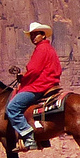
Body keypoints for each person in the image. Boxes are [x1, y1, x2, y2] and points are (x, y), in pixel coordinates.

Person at [7, 22, 61, 150]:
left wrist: (23, 77)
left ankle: (29, 137)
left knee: (12, 108)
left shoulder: (41, 49)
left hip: (40, 85)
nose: (33, 37)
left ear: (43, 35)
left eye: (36, 34)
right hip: (49, 83)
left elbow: (35, 70)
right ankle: (43, 138)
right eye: (32, 35)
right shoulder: (49, 49)